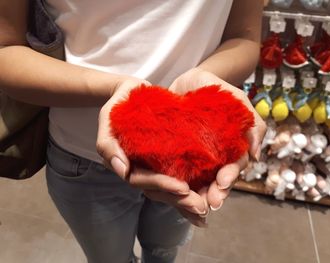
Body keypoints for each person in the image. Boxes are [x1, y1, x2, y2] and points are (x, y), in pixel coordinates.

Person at [0, 0, 266, 262]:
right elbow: (6, 50)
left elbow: (244, 36)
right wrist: (116, 88)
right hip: (82, 156)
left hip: (191, 154)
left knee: (164, 250)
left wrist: (206, 80)